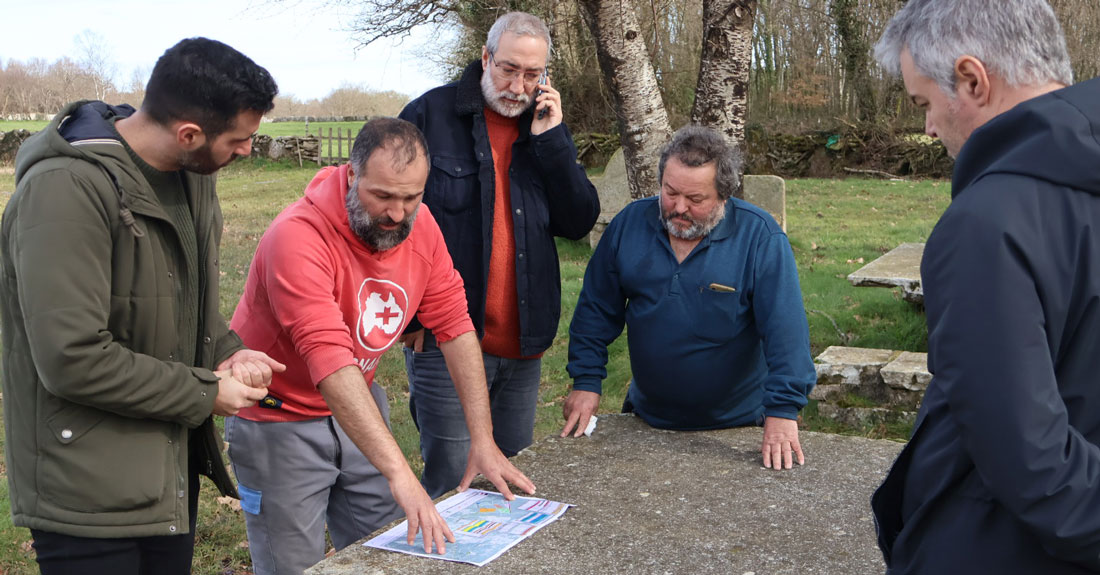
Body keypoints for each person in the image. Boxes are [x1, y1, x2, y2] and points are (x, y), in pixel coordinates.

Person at [0, 38, 283, 575]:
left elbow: (175, 301)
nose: (248, 149)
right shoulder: (64, 192)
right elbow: (72, 358)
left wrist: (226, 352)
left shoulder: (192, 178)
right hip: (85, 493)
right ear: (189, 134)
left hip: (161, 472)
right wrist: (206, 393)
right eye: (241, 139)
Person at [225, 117, 536, 575]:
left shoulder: (421, 224)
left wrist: (483, 438)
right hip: (277, 417)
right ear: (351, 175)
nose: (397, 214)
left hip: (358, 408)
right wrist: (400, 473)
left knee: (387, 554)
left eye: (411, 197)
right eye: (383, 196)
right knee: (293, 566)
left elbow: (454, 324)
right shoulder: (298, 237)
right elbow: (329, 361)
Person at [870, 1, 1100, 572]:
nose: (926, 127)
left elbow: (1029, 458)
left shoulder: (989, 219)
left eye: (924, 102)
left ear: (972, 79)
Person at [398, 11, 600, 497]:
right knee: (453, 480)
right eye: (508, 69)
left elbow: (577, 221)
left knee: (510, 478)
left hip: (524, 343)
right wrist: (410, 320)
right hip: (446, 340)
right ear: (486, 57)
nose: (518, 85)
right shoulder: (429, 116)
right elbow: (387, 222)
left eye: (532, 75)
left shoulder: (545, 129)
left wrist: (552, 143)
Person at [561, 125, 817, 470]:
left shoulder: (760, 237)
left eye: (695, 200)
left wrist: (784, 411)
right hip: (646, 417)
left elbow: (786, 331)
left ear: (724, 195)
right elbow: (595, 310)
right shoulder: (629, 225)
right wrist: (586, 381)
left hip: (738, 426)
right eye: (670, 192)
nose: (678, 208)